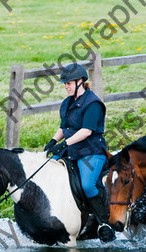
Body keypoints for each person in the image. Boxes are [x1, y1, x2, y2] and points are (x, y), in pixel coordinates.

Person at [44, 63, 115, 242]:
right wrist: (53, 141)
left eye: (69, 83)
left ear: (81, 81)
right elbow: (64, 127)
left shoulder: (93, 104)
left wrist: (63, 144)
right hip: (72, 149)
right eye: (65, 83)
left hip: (91, 151)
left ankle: (104, 223)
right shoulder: (67, 103)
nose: (66, 86)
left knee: (87, 185)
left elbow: (86, 131)